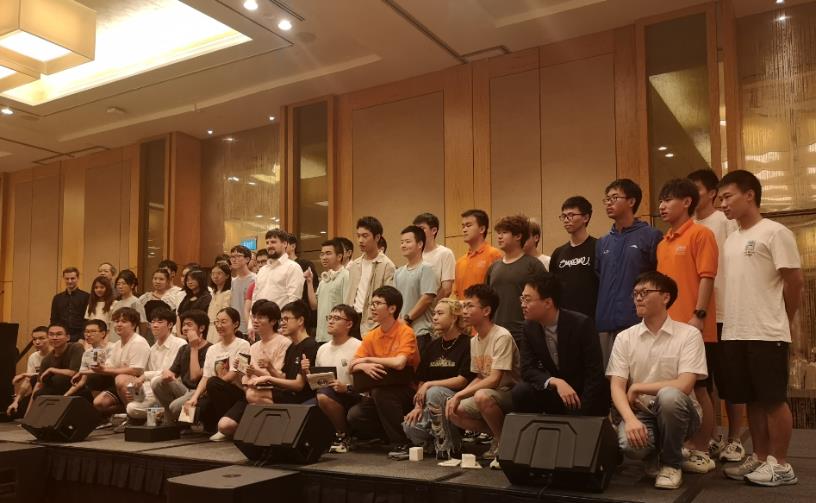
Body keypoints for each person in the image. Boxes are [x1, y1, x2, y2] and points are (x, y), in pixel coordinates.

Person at [717, 170, 803, 487]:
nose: (722, 204)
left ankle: (781, 465)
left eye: (727, 197)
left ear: (750, 195)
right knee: (751, 398)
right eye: (719, 199)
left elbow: (794, 282)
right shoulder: (732, 239)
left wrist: (784, 318)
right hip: (735, 330)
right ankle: (761, 456)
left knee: (772, 399)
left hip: (767, 331)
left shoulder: (775, 232)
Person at [607, 271, 707, 490]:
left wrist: (638, 387)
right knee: (629, 444)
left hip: (681, 412)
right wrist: (630, 419)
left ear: (665, 297)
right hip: (643, 411)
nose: (638, 298)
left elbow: (685, 385)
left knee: (669, 396)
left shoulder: (688, 335)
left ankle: (672, 464)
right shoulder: (625, 337)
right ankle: (657, 454)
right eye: (635, 294)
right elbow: (616, 386)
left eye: (644, 292)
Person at [656, 178, 719, 474]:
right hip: (669, 329)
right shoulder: (662, 243)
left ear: (687, 202)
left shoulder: (701, 234)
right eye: (661, 200)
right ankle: (685, 444)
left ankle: (703, 447)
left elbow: (707, 276)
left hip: (694, 327)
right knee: (675, 390)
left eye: (668, 199)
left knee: (701, 389)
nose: (662, 206)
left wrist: (699, 315)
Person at [688, 168, 745, 462]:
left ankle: (735, 438)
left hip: (725, 311)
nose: (690, 196)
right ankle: (712, 436)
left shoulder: (725, 222)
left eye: (696, 189)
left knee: (730, 380)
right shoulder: (688, 225)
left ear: (712, 193)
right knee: (703, 379)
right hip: (697, 316)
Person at [446, 284, 520, 469]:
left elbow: (494, 379)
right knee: (453, 411)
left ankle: (504, 446)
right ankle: (501, 437)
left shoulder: (501, 336)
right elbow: (480, 376)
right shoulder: (474, 340)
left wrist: (460, 394)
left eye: (470, 306)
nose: (464, 311)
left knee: (481, 396)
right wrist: (456, 398)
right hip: (490, 393)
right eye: (464, 306)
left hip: (511, 393)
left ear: (486, 311)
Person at [512, 274, 608, 417]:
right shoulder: (529, 327)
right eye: (522, 299)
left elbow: (594, 373)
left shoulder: (581, 324)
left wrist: (580, 412)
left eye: (527, 299)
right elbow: (527, 369)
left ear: (548, 303)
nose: (522, 305)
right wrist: (555, 381)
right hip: (555, 391)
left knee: (601, 389)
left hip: (583, 393)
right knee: (521, 391)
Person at [596, 179, 662, 366]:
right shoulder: (603, 242)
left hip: (637, 319)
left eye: (614, 198)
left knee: (639, 375)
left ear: (631, 201)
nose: (608, 203)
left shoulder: (651, 235)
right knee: (611, 376)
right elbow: (599, 275)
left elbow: (657, 278)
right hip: (605, 321)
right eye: (606, 199)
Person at [347, 286, 419, 452]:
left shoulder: (406, 332)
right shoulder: (371, 335)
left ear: (392, 308)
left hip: (407, 388)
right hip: (382, 388)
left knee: (381, 393)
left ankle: (401, 441)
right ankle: (386, 436)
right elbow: (351, 366)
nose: (372, 308)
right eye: (371, 303)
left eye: (378, 303)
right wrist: (363, 365)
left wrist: (368, 359)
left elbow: (399, 363)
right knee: (355, 415)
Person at [402, 298, 474, 460]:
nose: (434, 318)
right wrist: (418, 407)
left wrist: (430, 384)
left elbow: (462, 380)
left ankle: (449, 446)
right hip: (432, 404)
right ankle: (437, 443)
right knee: (409, 425)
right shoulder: (433, 346)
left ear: (454, 317)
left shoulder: (468, 343)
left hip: (457, 400)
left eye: (440, 314)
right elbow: (422, 380)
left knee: (434, 392)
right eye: (434, 313)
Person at [302, 304, 362, 453]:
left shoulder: (358, 346)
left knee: (324, 397)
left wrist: (345, 387)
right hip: (328, 392)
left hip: (351, 393)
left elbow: (365, 383)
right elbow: (316, 382)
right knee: (302, 409)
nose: (330, 321)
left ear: (349, 324)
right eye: (329, 317)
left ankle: (344, 436)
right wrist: (306, 372)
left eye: (336, 318)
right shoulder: (322, 348)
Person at [189, 307, 253, 439]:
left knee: (213, 383)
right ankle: (217, 426)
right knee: (198, 406)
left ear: (235, 324)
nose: (219, 325)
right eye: (217, 322)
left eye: (223, 322)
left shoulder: (243, 344)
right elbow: (205, 377)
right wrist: (194, 397)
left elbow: (233, 375)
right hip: (216, 390)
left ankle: (225, 428)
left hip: (238, 392)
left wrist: (211, 387)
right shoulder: (212, 349)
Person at [486, 215, 547, 342]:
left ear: (518, 236)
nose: (499, 236)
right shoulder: (493, 267)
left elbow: (545, 300)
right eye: (498, 233)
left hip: (524, 334)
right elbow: (487, 301)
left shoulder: (533, 265)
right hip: (496, 334)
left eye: (504, 232)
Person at [123, 309, 186, 428]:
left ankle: (168, 417)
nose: (155, 325)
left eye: (160, 322)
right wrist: (138, 391)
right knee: (132, 408)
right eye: (152, 322)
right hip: (156, 393)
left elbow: (171, 373)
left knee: (157, 380)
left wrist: (145, 376)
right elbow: (146, 379)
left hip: (177, 388)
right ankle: (160, 414)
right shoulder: (152, 349)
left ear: (170, 325)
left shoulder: (180, 343)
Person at [151, 310, 212, 424]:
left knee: (174, 407)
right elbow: (173, 371)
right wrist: (167, 374)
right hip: (185, 390)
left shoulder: (210, 349)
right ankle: (172, 422)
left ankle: (184, 423)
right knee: (157, 382)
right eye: (184, 325)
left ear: (201, 328)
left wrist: (194, 347)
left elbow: (194, 377)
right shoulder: (184, 349)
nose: (185, 328)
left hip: (200, 392)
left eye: (189, 325)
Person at [90, 307, 151, 418]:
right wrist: (99, 367)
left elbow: (136, 371)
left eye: (123, 321)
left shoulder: (138, 342)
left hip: (141, 383)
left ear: (133, 325)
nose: (118, 324)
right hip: (120, 386)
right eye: (117, 321)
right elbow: (109, 366)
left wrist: (105, 370)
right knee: (99, 403)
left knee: (121, 379)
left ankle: (133, 417)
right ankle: (126, 412)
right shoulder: (117, 344)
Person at [549, 196, 599, 319]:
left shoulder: (598, 247)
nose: (566, 220)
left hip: (591, 317)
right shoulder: (558, 253)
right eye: (564, 216)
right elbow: (553, 287)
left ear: (585, 218)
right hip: (564, 318)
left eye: (571, 215)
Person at [345, 217, 396, 334]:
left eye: (365, 236)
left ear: (377, 237)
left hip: (373, 323)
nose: (360, 240)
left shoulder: (387, 265)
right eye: (358, 236)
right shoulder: (354, 265)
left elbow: (389, 299)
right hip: (352, 319)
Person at [394, 225, 439, 350]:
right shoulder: (398, 272)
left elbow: (427, 298)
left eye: (408, 242)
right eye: (402, 242)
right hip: (401, 332)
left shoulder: (426, 268)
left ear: (420, 244)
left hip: (421, 332)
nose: (403, 245)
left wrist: (407, 319)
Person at [27, 323, 85, 414]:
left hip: (78, 388)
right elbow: (39, 383)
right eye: (51, 334)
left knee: (58, 379)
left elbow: (75, 373)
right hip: (57, 391)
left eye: (59, 334)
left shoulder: (76, 347)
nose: (54, 337)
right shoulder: (47, 359)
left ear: (68, 337)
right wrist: (28, 413)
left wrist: (52, 370)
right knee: (38, 393)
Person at [306, 239, 350, 343]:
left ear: (339, 256)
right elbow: (314, 305)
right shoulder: (324, 280)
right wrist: (309, 282)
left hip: (338, 336)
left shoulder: (346, 276)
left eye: (328, 253)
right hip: (321, 335)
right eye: (322, 254)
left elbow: (347, 308)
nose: (324, 257)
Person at [454, 209, 503, 299]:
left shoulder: (494, 254)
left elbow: (498, 290)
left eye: (468, 225)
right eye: (463, 226)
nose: (464, 230)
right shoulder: (460, 262)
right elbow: (458, 294)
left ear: (482, 229)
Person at [252, 229, 304, 309]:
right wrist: (252, 316)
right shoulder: (262, 270)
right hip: (259, 316)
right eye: (267, 243)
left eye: (273, 242)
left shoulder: (293, 267)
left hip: (280, 316)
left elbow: (294, 301)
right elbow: (255, 297)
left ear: (285, 244)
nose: (269, 246)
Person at [65, 319, 115, 400]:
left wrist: (81, 372)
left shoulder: (113, 347)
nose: (88, 335)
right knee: (76, 398)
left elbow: (106, 370)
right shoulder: (87, 353)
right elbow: (82, 380)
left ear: (103, 333)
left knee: (94, 377)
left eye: (93, 331)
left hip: (111, 382)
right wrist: (65, 396)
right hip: (94, 387)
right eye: (86, 332)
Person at [7, 326, 50, 418]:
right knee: (14, 412)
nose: (37, 342)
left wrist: (24, 374)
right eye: (34, 339)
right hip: (37, 391)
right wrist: (16, 401)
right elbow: (27, 381)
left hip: (53, 389)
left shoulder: (55, 354)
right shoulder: (33, 357)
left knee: (34, 378)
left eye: (41, 338)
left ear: (49, 338)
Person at [413, 213, 456, 300]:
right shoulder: (415, 254)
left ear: (434, 230)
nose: (417, 233)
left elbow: (446, 289)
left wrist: (430, 305)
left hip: (433, 306)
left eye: (421, 228)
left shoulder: (445, 253)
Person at [286, 233, 319, 334]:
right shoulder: (280, 267)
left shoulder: (305, 264)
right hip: (285, 312)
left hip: (304, 313)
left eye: (285, 243)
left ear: (293, 246)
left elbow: (314, 287)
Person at [50, 267, 90, 341]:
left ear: (78, 278)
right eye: (67, 279)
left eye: (72, 278)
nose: (70, 281)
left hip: (80, 336)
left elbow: (87, 320)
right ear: (64, 279)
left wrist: (82, 337)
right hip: (61, 336)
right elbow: (54, 319)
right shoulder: (57, 298)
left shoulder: (86, 297)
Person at [111, 270, 148, 339]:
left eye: (124, 284)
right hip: (115, 338)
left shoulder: (135, 302)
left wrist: (140, 338)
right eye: (118, 284)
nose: (120, 286)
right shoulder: (117, 303)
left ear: (132, 285)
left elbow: (143, 323)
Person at [229, 245, 256, 334]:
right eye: (232, 257)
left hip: (249, 327)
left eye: (238, 256)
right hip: (234, 327)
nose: (234, 259)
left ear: (247, 259)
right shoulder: (232, 281)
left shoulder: (255, 279)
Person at [207, 263, 232, 343]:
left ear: (227, 276)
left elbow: (225, 314)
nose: (215, 276)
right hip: (210, 327)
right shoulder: (213, 292)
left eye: (219, 273)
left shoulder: (228, 293)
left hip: (220, 328)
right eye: (213, 273)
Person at [85, 276, 115, 340]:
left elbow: (113, 325)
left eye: (102, 287)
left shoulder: (114, 303)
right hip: (92, 338)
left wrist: (107, 338)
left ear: (107, 288)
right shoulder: (91, 304)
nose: (98, 290)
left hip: (107, 337)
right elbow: (89, 323)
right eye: (96, 287)